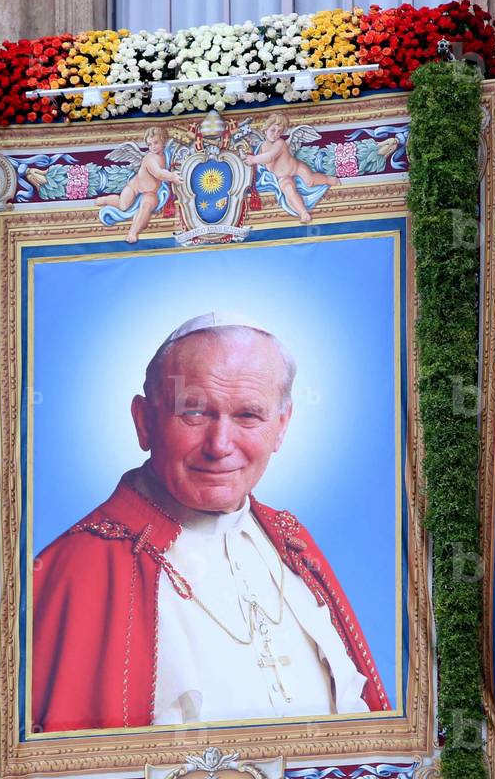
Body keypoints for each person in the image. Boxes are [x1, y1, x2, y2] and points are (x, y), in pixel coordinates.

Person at [32, 313, 390, 732]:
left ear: (281, 426)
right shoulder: (78, 566)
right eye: (195, 413)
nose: (220, 446)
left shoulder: (291, 541)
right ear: (144, 421)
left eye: (248, 416)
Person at [244, 116, 340, 223]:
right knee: (289, 190)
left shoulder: (279, 143)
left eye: (279, 132)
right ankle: (303, 213)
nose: (276, 134)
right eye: (273, 130)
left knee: (310, 181)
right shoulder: (261, 147)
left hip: (296, 168)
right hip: (282, 177)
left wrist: (253, 159)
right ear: (265, 130)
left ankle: (330, 179)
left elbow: (270, 157)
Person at [96, 126, 182, 242]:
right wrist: (172, 177)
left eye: (156, 142)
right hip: (134, 187)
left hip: (151, 192)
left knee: (146, 206)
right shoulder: (149, 158)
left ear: (164, 140)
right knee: (123, 205)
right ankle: (106, 200)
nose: (152, 147)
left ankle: (133, 232)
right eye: (149, 144)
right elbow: (159, 173)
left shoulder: (166, 155)